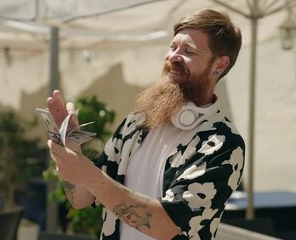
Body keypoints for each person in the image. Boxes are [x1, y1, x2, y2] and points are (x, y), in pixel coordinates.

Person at [47, 8, 245, 240]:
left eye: (188, 50)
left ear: (219, 65)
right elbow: (82, 199)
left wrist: (89, 174)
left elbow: (165, 225)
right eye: (172, 48)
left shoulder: (223, 144)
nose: (172, 57)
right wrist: (72, 147)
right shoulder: (136, 123)